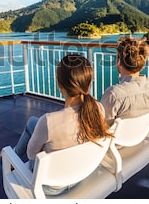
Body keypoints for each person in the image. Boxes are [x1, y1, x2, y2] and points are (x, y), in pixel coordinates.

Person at [11, 54, 113, 195]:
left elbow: (31, 155)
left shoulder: (48, 121)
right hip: (83, 174)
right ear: (89, 83)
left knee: (33, 127)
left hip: (52, 186)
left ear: (60, 85)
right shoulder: (99, 108)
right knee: (32, 123)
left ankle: (14, 155)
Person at [100, 36, 149, 125]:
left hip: (119, 138)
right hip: (143, 134)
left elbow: (102, 125)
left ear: (119, 61)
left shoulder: (113, 95)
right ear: (143, 63)